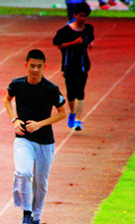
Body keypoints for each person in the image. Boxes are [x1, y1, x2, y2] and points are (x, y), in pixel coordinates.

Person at [3, 49, 66, 224]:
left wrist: (40, 124)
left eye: (39, 66)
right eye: (32, 66)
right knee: (23, 172)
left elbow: (62, 113)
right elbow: (7, 100)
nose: (35, 70)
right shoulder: (17, 84)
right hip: (23, 138)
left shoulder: (50, 89)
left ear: (44, 67)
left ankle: (37, 217)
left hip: (45, 141)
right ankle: (27, 212)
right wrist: (14, 119)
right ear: (26, 65)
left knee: (41, 182)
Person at [53, 1, 94, 131]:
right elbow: (59, 45)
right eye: (81, 15)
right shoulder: (65, 31)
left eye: (85, 16)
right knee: (71, 93)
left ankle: (78, 120)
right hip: (69, 65)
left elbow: (90, 40)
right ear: (75, 15)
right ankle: (72, 112)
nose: (83, 18)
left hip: (82, 65)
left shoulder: (88, 29)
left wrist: (90, 44)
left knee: (80, 92)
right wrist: (74, 43)